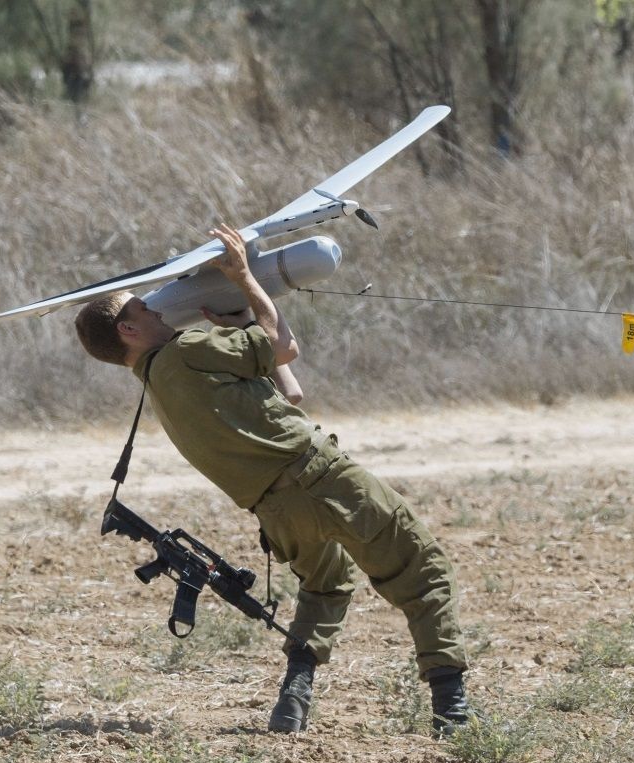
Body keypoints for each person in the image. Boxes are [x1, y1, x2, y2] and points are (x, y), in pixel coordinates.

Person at [74, 223, 471, 735]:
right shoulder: (188, 349)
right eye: (142, 310)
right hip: (324, 477)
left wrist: (243, 319)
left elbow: (290, 393)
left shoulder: (163, 389)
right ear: (128, 330)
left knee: (326, 587)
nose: (155, 309)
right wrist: (244, 277)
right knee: (422, 569)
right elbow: (284, 345)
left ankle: (293, 699)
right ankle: (452, 709)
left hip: (279, 514)